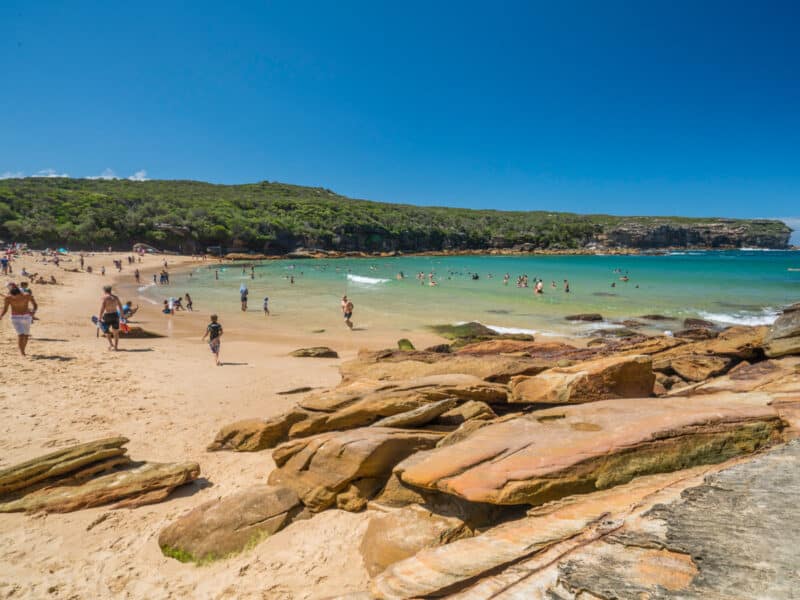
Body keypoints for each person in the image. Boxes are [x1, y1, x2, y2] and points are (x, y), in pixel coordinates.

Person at [1, 282, 38, 355]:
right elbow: (5, 309)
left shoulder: (27, 296)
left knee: (26, 335)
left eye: (16, 297)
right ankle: (22, 352)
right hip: (15, 317)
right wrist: (1, 315)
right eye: (13, 297)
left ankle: (23, 349)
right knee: (21, 335)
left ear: (20, 294)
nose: (15, 299)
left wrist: (33, 312)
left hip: (27, 317)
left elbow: (35, 305)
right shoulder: (8, 298)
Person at [98, 285, 123, 351]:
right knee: (116, 332)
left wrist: (99, 317)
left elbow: (102, 308)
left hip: (107, 315)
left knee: (106, 330)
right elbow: (120, 307)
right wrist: (122, 316)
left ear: (104, 291)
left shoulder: (104, 298)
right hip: (115, 315)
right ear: (110, 290)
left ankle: (111, 344)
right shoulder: (116, 297)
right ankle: (116, 347)